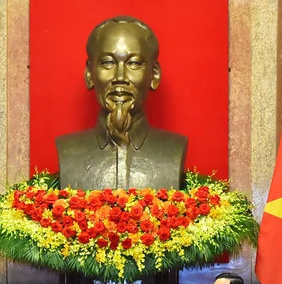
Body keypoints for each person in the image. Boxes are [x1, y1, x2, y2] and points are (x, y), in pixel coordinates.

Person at [56, 15, 187, 190]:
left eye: (133, 63)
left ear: (154, 75)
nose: (120, 78)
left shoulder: (174, 149)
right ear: (89, 73)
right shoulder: (68, 150)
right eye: (108, 63)